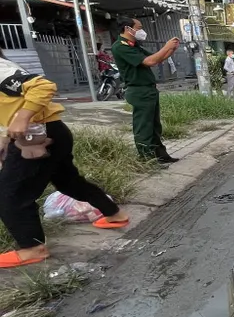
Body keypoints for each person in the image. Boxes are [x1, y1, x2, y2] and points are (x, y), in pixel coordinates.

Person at [0, 48, 129, 269]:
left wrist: (22, 118)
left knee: (10, 193)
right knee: (70, 182)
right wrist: (6, 137)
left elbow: (43, 86)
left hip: (37, 136)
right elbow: (13, 103)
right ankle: (114, 214)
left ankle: (32, 248)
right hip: (52, 131)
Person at [111, 17, 180, 165]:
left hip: (148, 90)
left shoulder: (134, 45)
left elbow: (156, 59)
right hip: (139, 91)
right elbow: (150, 61)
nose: (142, 31)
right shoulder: (120, 46)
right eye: (139, 27)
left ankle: (161, 155)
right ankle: (147, 160)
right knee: (144, 127)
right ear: (127, 28)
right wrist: (166, 46)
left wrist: (171, 49)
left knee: (154, 126)